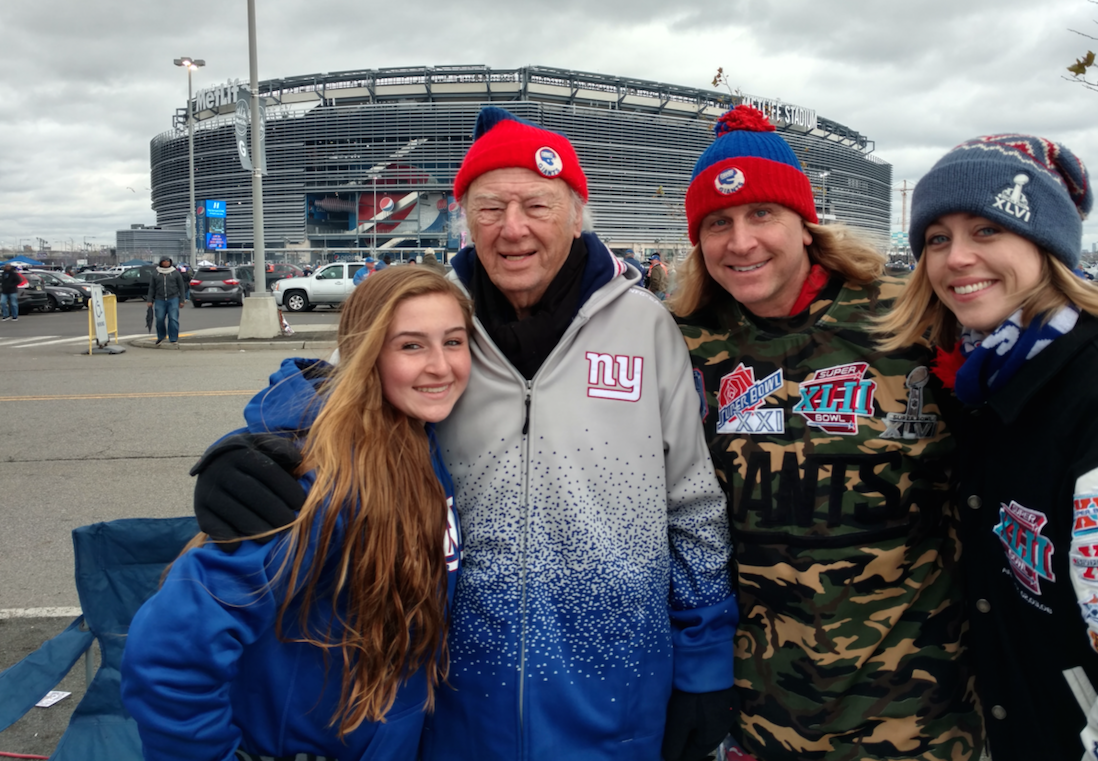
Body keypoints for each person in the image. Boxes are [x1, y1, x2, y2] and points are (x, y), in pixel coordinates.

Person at [192, 106, 737, 761]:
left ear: (574, 212)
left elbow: (692, 506)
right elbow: (330, 395)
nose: (513, 229)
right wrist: (259, 444)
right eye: (488, 208)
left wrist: (704, 668)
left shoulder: (645, 327)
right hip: (450, 700)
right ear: (463, 219)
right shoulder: (431, 315)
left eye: (536, 205)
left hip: (615, 701)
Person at [876, 133, 1098, 760]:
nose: (955, 259)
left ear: (1047, 246)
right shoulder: (1000, 374)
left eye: (986, 230)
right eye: (938, 238)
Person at [670, 105, 981, 760]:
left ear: (805, 225)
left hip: (917, 713)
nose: (740, 241)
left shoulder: (913, 319)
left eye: (762, 215)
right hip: (763, 714)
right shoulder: (688, 344)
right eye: (718, 223)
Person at [121, 267, 470, 760]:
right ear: (365, 355)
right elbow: (170, 650)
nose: (441, 365)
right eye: (411, 346)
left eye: (454, 342)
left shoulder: (417, 441)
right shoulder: (321, 480)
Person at [146, 256, 187, 345]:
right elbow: (152, 288)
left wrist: (182, 300)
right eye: (164, 261)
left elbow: (181, 287)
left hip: (173, 299)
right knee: (160, 319)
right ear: (161, 262)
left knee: (173, 318)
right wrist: (149, 300)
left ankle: (173, 338)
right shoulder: (156, 273)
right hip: (159, 299)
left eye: (168, 261)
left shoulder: (175, 273)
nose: (166, 263)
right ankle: (161, 336)